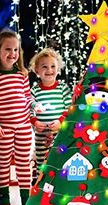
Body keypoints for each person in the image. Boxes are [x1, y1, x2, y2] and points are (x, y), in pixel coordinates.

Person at [0, 29, 42, 205]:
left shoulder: (22, 75)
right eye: (8, 49)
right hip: (4, 128)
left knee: (24, 163)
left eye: (15, 50)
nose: (12, 54)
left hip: (24, 126)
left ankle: (26, 198)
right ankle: (4, 197)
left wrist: (34, 105)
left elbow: (27, 97)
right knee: (3, 162)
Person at [29, 48, 72, 184]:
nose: (49, 70)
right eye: (44, 67)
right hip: (41, 134)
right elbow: (30, 109)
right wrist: (35, 122)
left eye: (53, 66)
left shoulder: (62, 88)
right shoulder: (34, 90)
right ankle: (40, 184)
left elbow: (69, 109)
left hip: (59, 133)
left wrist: (60, 121)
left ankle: (59, 184)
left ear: (58, 69)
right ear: (37, 70)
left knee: (60, 157)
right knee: (42, 160)